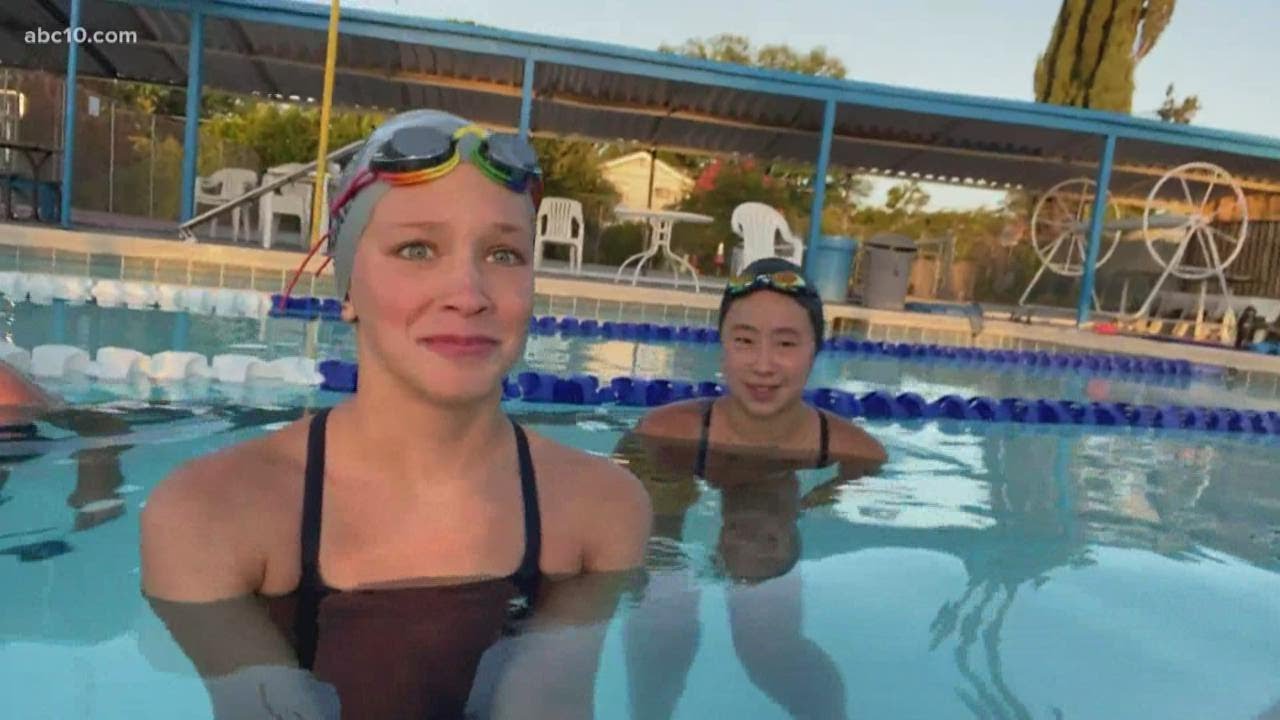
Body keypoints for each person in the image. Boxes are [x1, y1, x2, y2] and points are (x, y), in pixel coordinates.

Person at [140, 110, 652, 719]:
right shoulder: (207, 516)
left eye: (503, 253)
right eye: (417, 248)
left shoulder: (604, 510)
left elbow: (545, 706)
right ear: (348, 288)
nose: (468, 293)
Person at [620, 257, 886, 719]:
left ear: (815, 348)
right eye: (744, 340)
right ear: (722, 344)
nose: (764, 365)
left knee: (768, 644)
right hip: (684, 467)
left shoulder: (856, 452)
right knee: (664, 609)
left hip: (774, 500)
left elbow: (831, 509)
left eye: (785, 342)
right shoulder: (665, 431)